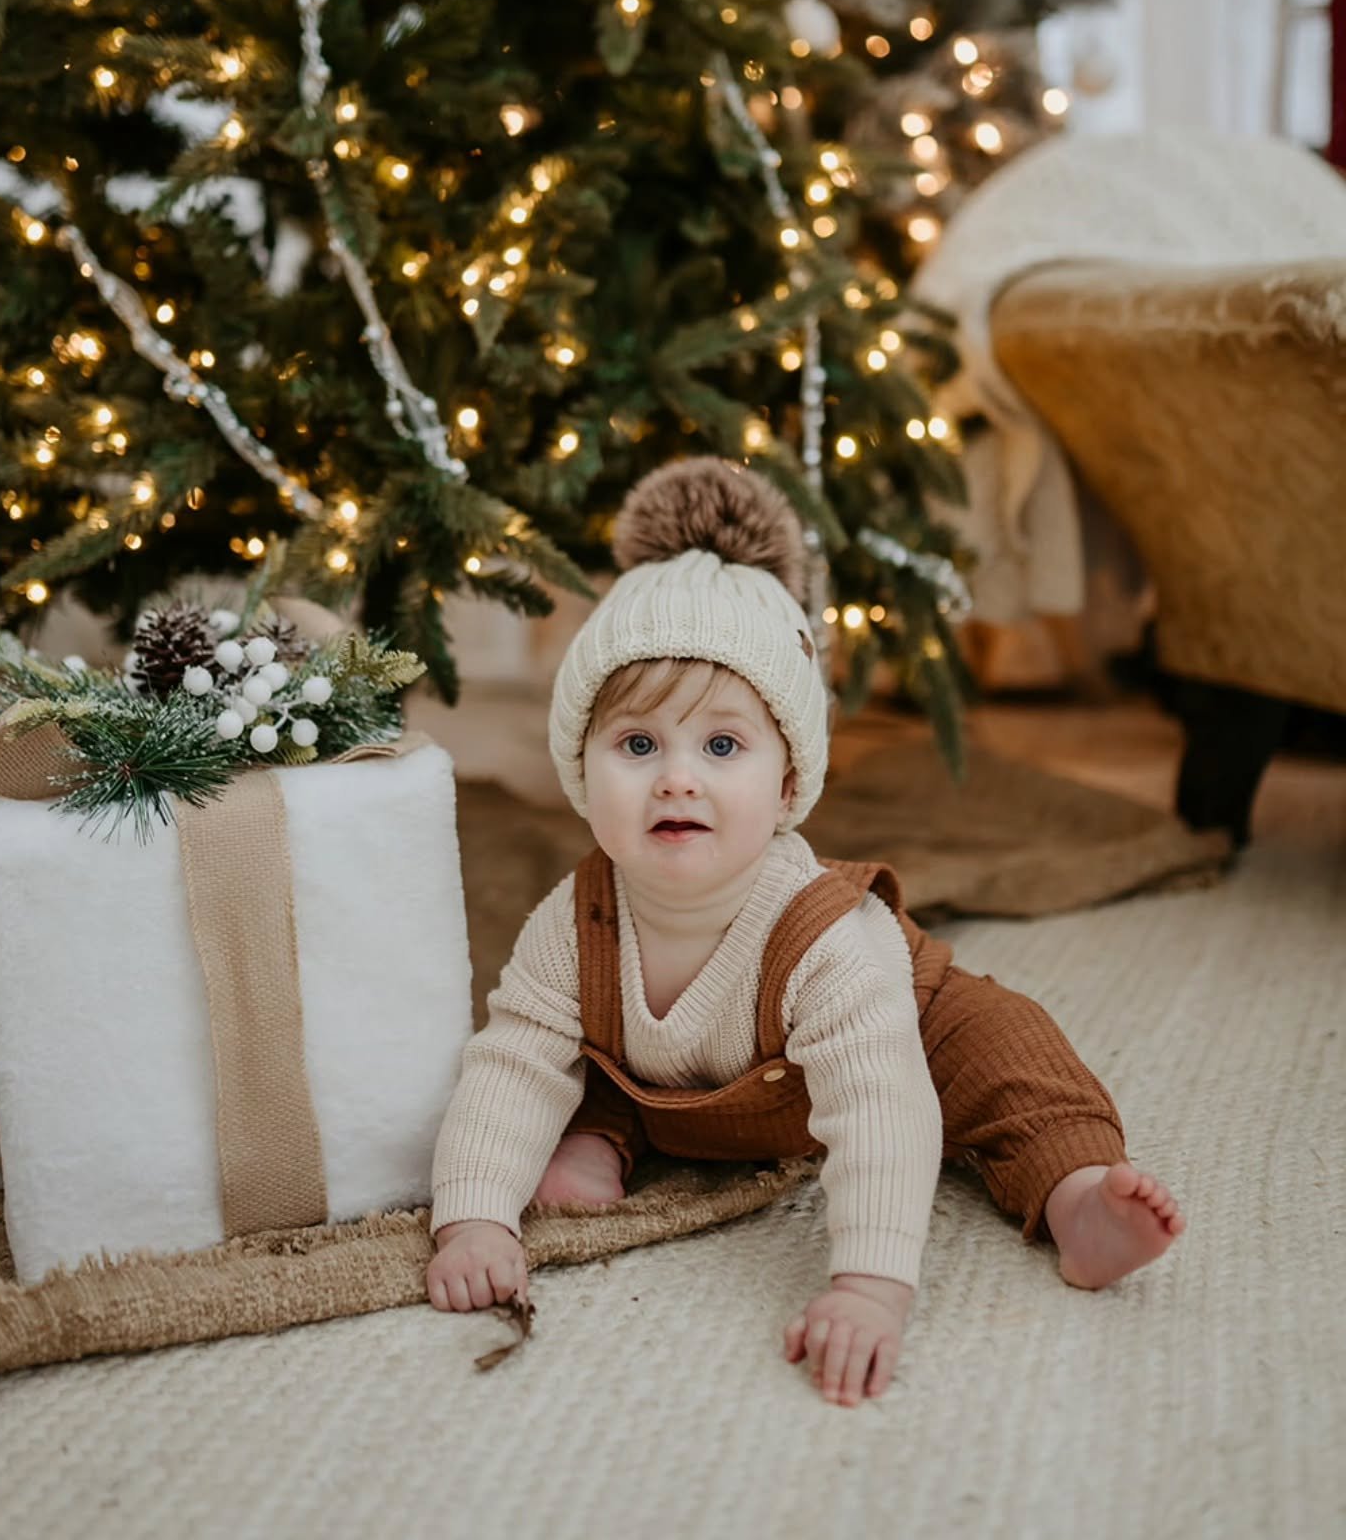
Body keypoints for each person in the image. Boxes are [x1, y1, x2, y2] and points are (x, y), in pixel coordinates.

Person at [427, 459, 1185, 1407]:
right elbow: (508, 1062)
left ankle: (1077, 1200)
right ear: (580, 769)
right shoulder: (571, 923)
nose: (676, 778)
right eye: (636, 744)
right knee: (570, 1054)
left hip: (899, 1033)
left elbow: (879, 1108)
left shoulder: (827, 938)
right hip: (701, 1075)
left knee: (1012, 1058)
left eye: (721, 745)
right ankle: (607, 1134)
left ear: (789, 786)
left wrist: (869, 1287)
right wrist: (474, 1220)